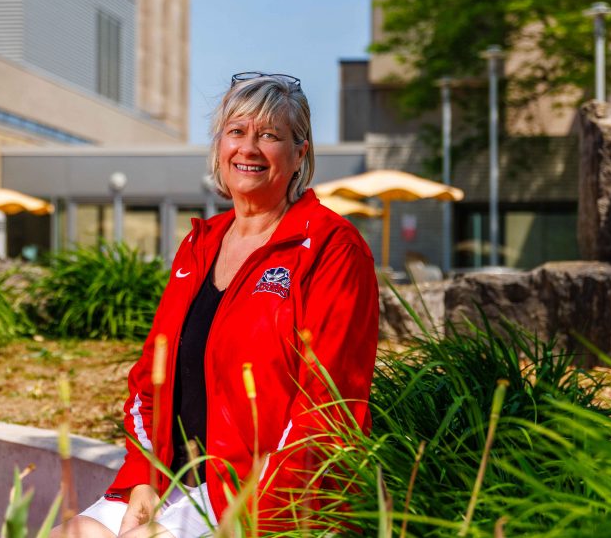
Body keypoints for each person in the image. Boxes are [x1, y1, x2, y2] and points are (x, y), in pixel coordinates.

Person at [55, 73, 379, 538]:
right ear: (219, 146)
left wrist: (248, 515)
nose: (249, 148)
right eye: (237, 132)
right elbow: (151, 379)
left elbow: (329, 409)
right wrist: (144, 478)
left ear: (299, 154)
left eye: (269, 135)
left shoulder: (330, 247)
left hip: (261, 496)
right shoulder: (200, 246)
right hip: (171, 479)